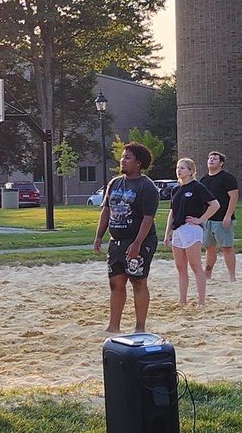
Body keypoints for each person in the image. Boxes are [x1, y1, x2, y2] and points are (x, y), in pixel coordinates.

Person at [94, 142, 160, 333]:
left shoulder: (147, 187)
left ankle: (140, 327)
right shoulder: (114, 183)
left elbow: (148, 218)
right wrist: (99, 236)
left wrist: (137, 244)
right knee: (116, 283)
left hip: (139, 240)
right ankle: (113, 326)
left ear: (138, 163)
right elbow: (106, 211)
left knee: (138, 282)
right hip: (117, 241)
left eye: (127, 158)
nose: (122, 160)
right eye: (122, 157)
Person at [162, 157, 219, 309]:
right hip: (178, 230)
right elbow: (172, 212)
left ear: (191, 171)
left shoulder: (197, 187)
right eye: (178, 167)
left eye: (183, 168)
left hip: (191, 229)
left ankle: (201, 301)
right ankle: (182, 300)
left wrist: (200, 219)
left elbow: (215, 205)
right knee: (181, 267)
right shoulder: (176, 189)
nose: (179, 170)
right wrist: (167, 233)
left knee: (195, 265)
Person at [201, 150, 238, 282]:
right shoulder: (204, 179)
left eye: (215, 159)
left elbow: (234, 198)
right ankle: (207, 275)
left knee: (227, 248)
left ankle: (232, 277)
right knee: (209, 249)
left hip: (222, 220)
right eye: (210, 158)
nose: (211, 160)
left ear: (221, 163)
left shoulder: (227, 178)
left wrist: (228, 216)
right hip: (207, 220)